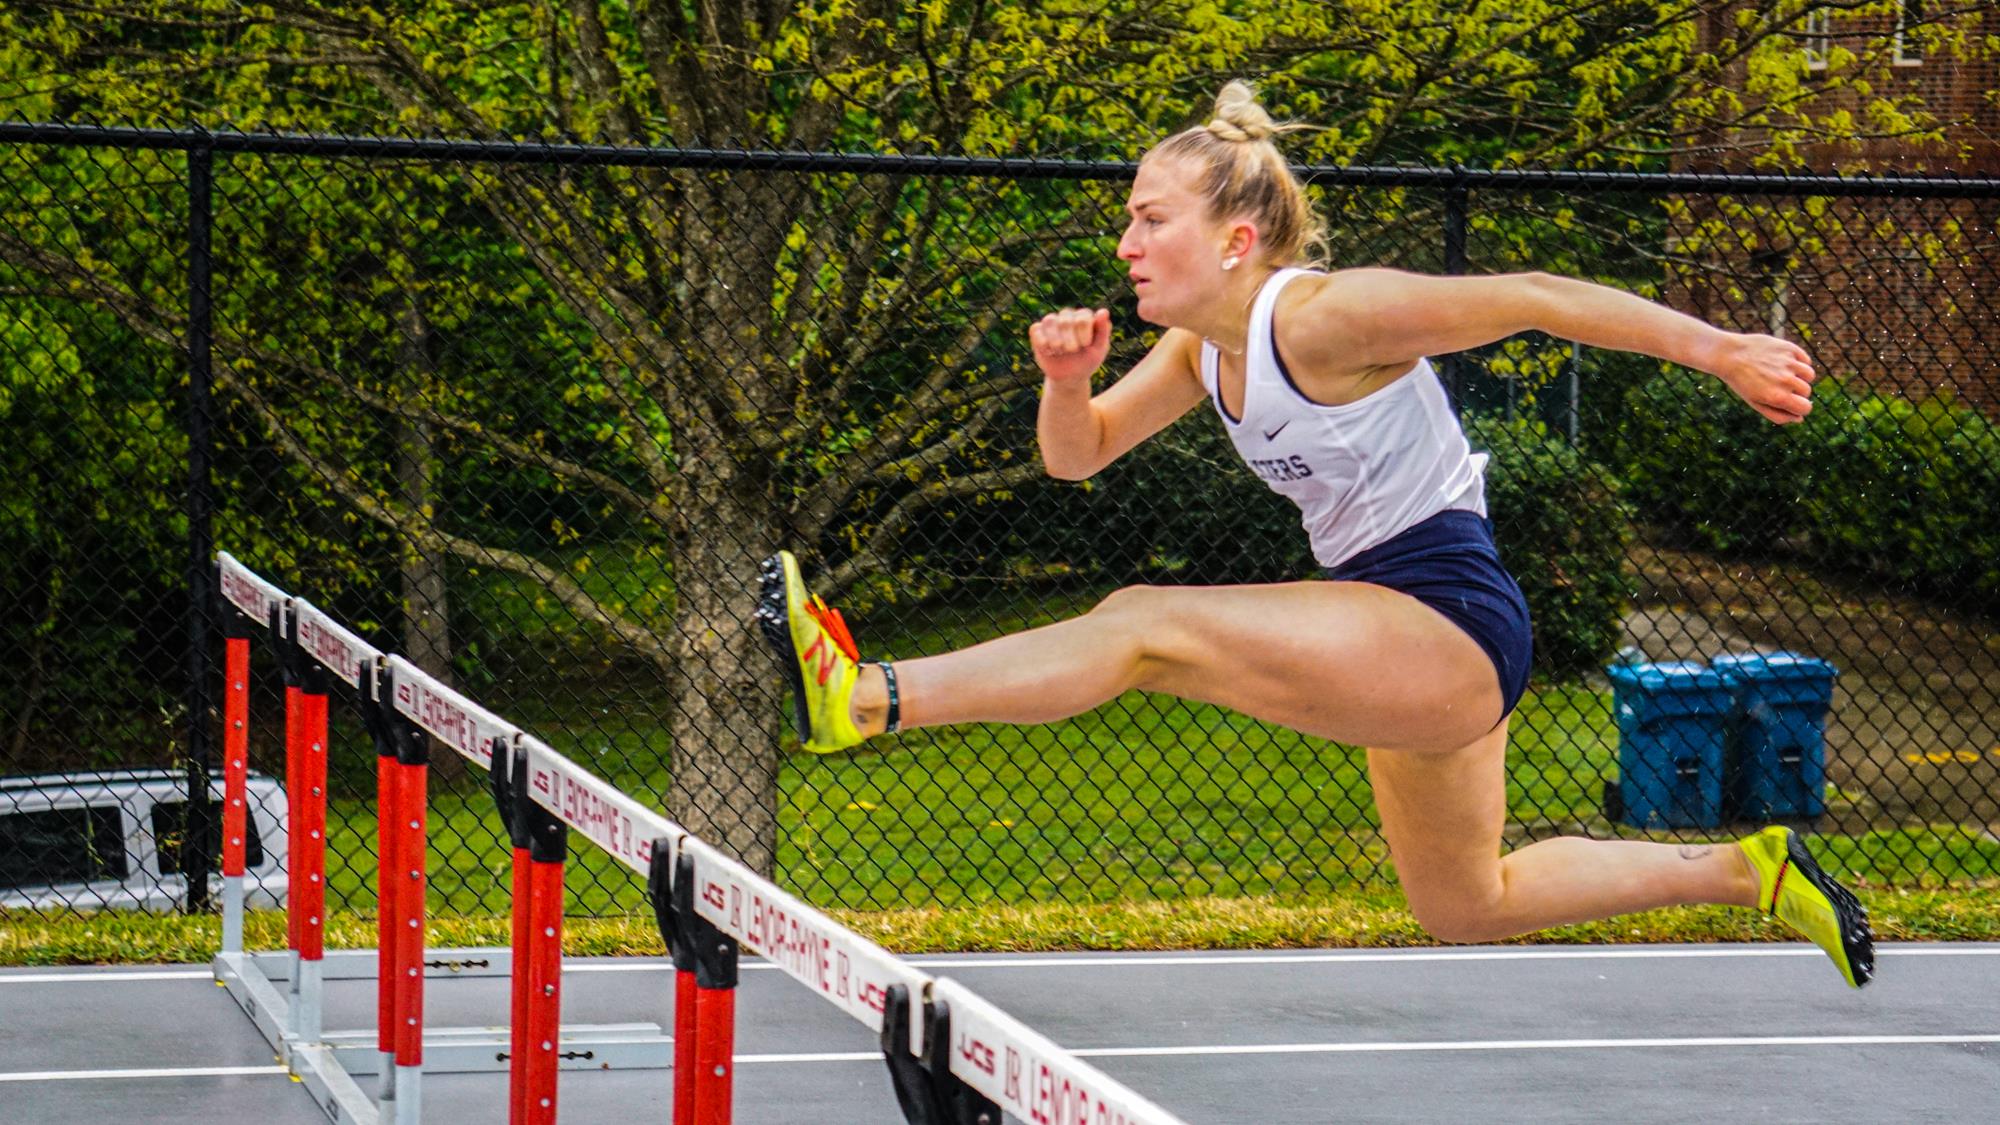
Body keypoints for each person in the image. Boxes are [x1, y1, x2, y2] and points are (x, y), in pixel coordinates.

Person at [754, 81, 1873, 987]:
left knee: (1141, 624)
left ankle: (865, 696)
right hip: (1393, 628)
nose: (1126, 241)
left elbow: (1534, 293)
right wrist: (1065, 380)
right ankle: (1749, 871)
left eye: (1151, 218)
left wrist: (1721, 349)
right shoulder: (1203, 349)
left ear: (1235, 239)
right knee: (1462, 901)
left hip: (1445, 614)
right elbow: (1077, 454)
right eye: (1128, 217)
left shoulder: (1329, 317)